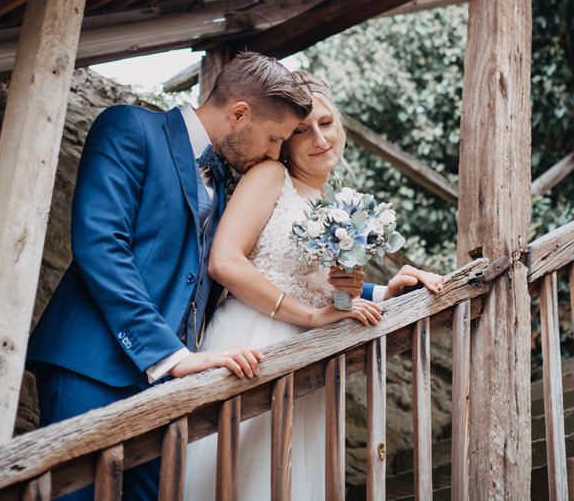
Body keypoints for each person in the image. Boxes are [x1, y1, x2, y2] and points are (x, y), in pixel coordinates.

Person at [26, 52, 312, 501]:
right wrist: (171, 355)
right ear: (240, 113)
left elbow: (259, 267)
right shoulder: (129, 129)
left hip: (165, 389)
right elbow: (100, 245)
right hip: (92, 364)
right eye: (274, 139)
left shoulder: (224, 185)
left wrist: (364, 292)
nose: (275, 155)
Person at [184, 71, 444, 500]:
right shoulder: (270, 178)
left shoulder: (338, 202)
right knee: (240, 478)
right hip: (255, 341)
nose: (318, 139)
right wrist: (309, 315)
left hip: (311, 356)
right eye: (302, 130)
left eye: (326, 123)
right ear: (285, 139)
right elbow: (224, 261)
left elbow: (328, 293)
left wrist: (384, 292)